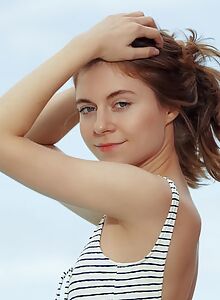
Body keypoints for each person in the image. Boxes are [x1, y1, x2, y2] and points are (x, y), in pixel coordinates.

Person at [0, 11, 219, 300]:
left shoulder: (145, 196)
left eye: (122, 104)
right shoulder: (155, 206)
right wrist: (95, 74)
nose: (101, 126)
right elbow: (33, 143)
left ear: (170, 108)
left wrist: (85, 47)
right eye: (87, 109)